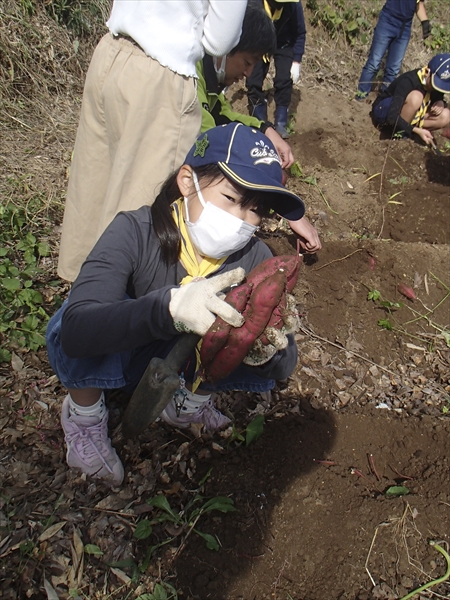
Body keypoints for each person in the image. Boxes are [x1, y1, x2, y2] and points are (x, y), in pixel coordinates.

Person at [46, 123, 305, 486]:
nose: (241, 220)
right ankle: (84, 415)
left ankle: (187, 404)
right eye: (230, 199)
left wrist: (268, 345)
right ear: (187, 181)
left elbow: (285, 364)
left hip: (185, 363)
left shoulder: (254, 257)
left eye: (255, 210)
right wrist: (166, 310)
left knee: (245, 333)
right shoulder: (134, 232)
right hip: (122, 349)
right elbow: (75, 333)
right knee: (74, 317)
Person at [57, 0, 248, 283]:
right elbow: (220, 40)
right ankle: (111, 314)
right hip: (161, 72)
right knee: (143, 219)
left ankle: (75, 309)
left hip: (112, 52)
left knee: (93, 193)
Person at [198, 0, 321, 252]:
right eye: (247, 62)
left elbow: (223, 116)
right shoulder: (190, 77)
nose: (248, 73)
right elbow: (214, 143)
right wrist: (288, 209)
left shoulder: (210, 80)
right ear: (226, 46)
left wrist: (265, 129)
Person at [246, 0, 306, 139]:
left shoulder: (293, 6)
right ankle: (259, 121)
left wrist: (296, 61)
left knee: (284, 79)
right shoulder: (255, 3)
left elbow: (300, 32)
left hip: (283, 43)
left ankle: (280, 123)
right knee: (253, 79)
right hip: (259, 41)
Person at [356, 0, 431, 100]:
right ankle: (361, 95)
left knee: (393, 70)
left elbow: (418, 4)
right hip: (388, 20)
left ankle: (383, 101)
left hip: (405, 27)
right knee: (374, 63)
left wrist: (425, 22)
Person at [371, 54, 450, 146]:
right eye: (434, 84)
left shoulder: (434, 86)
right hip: (385, 113)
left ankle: (407, 129)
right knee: (416, 97)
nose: (435, 88)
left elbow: (437, 96)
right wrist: (416, 130)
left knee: (446, 115)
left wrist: (440, 102)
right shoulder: (408, 81)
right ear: (427, 72)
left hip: (412, 114)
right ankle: (397, 135)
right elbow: (391, 117)